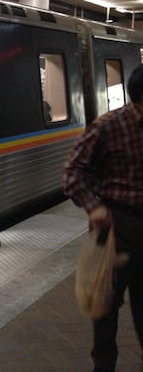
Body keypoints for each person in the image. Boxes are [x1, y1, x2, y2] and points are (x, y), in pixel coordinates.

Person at [63, 64, 143, 372]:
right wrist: (93, 206)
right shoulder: (108, 127)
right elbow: (73, 171)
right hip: (114, 226)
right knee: (105, 303)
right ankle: (104, 365)